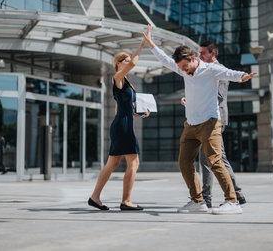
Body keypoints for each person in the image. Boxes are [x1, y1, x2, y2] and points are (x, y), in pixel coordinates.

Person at [142, 24, 255, 214]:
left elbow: (229, 73)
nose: (184, 71)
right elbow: (164, 60)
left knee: (215, 161)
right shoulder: (183, 69)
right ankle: (198, 201)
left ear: (193, 59)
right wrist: (151, 43)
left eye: (186, 66)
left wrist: (243, 76)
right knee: (184, 162)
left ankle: (232, 201)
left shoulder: (210, 69)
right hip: (191, 124)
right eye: (181, 68)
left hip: (210, 123)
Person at [181, 41, 246, 208]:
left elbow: (218, 97)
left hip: (213, 119)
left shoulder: (218, 70)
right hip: (203, 118)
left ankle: (210, 198)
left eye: (204, 53)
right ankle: (236, 194)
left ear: (213, 54)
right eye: (200, 53)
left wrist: (195, 103)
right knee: (217, 159)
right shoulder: (201, 70)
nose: (201, 56)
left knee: (209, 160)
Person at [88, 38, 151, 211]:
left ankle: (94, 197)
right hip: (122, 127)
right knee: (134, 162)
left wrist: (139, 114)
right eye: (127, 60)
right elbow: (133, 65)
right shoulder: (117, 77)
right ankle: (126, 201)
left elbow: (121, 109)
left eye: (130, 60)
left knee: (112, 164)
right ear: (118, 63)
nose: (130, 63)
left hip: (121, 124)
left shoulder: (124, 82)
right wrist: (142, 45)